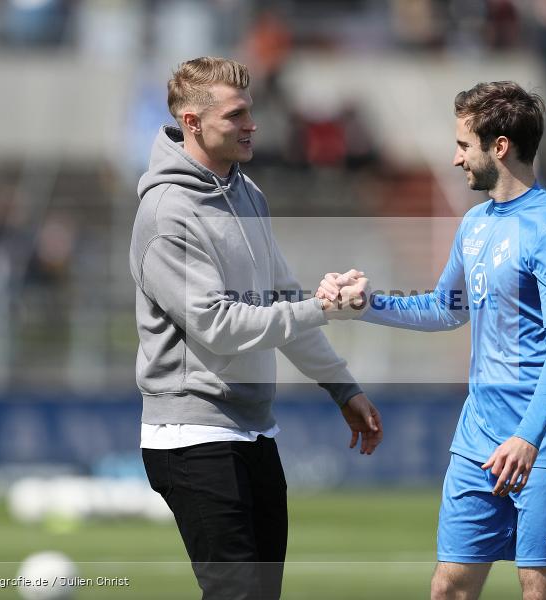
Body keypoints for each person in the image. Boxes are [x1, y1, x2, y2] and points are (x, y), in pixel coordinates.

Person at [319, 81, 546, 600]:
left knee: (540, 590)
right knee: (448, 588)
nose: (455, 158)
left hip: (545, 439)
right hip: (478, 438)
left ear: (500, 147)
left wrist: (529, 437)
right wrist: (367, 303)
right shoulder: (473, 225)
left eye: (464, 145)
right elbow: (445, 309)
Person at [129, 56, 382, 600]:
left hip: (254, 431)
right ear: (193, 122)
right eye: (236, 114)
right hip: (192, 437)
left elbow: (283, 302)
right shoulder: (166, 212)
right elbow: (218, 326)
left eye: (250, 111)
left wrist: (342, 387)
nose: (252, 124)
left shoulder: (249, 194)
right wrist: (324, 307)